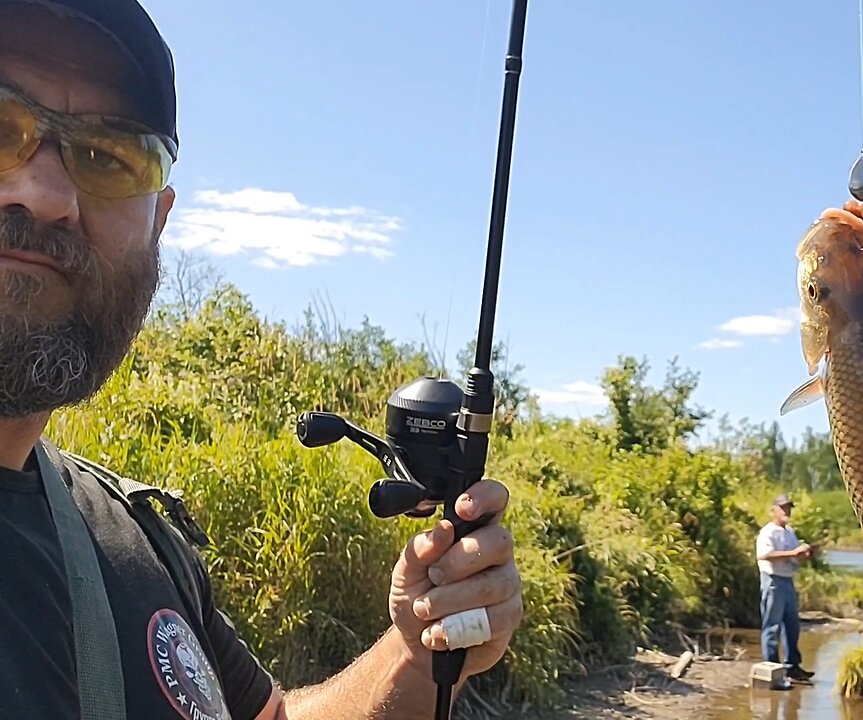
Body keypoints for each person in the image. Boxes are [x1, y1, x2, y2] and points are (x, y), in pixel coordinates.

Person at [0, 1, 523, 718]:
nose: (46, 193)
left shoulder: (131, 539)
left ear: (158, 221)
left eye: (108, 158)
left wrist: (416, 652)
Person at [755, 493, 815, 682]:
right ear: (773, 510)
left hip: (788, 580)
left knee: (792, 626)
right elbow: (764, 555)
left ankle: (792, 667)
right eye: (782, 508)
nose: (786, 511)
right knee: (772, 625)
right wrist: (793, 552)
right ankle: (772, 667)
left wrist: (804, 555)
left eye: (788, 508)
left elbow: (794, 556)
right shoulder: (768, 532)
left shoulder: (789, 531)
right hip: (773, 580)